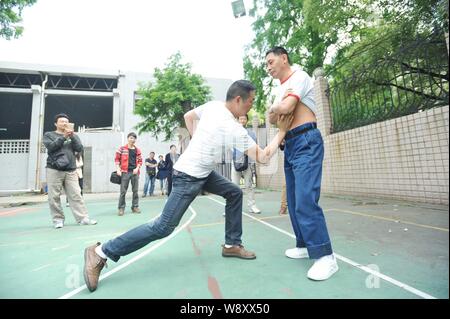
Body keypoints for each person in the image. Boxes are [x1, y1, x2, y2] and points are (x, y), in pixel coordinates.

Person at [83, 80, 293, 292]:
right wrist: (282, 131)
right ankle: (101, 252)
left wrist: (197, 141)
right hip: (188, 176)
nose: (251, 105)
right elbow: (264, 157)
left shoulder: (213, 106)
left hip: (201, 172)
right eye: (251, 101)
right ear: (239, 99)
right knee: (163, 227)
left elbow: (188, 117)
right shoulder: (233, 129)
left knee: (234, 192)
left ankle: (232, 245)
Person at [266, 46, 338, 280]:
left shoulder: (300, 76)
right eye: (266, 64)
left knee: (306, 199)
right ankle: (305, 245)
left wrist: (277, 109)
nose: (268, 67)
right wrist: (276, 109)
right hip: (290, 145)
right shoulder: (280, 89)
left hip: (307, 139)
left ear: (284, 58)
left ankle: (326, 257)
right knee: (296, 201)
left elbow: (283, 110)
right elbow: (271, 119)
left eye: (270, 61)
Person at [43, 113, 97, 228]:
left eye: (66, 122)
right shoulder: (49, 135)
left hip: (71, 170)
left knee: (76, 195)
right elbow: (51, 147)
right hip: (54, 169)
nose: (64, 123)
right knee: (54, 197)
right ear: (56, 123)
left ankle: (83, 218)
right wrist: (64, 137)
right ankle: (58, 220)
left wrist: (71, 136)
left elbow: (79, 149)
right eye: (62, 121)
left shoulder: (73, 135)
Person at [231, 114, 261, 214]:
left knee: (249, 185)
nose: (242, 120)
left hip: (248, 162)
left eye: (244, 119)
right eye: (240, 118)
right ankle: (231, 209)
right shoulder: (233, 132)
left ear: (247, 120)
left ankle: (252, 206)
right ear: (237, 120)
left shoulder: (251, 133)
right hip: (236, 162)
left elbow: (255, 147)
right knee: (234, 185)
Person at [115, 132, 142, 216]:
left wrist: (137, 169)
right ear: (128, 138)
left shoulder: (137, 150)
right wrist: (118, 170)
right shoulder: (122, 149)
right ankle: (121, 208)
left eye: (134, 138)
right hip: (125, 172)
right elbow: (116, 160)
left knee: (135, 191)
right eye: (131, 138)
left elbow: (140, 161)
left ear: (135, 140)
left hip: (135, 173)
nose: (132, 139)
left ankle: (135, 207)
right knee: (123, 191)